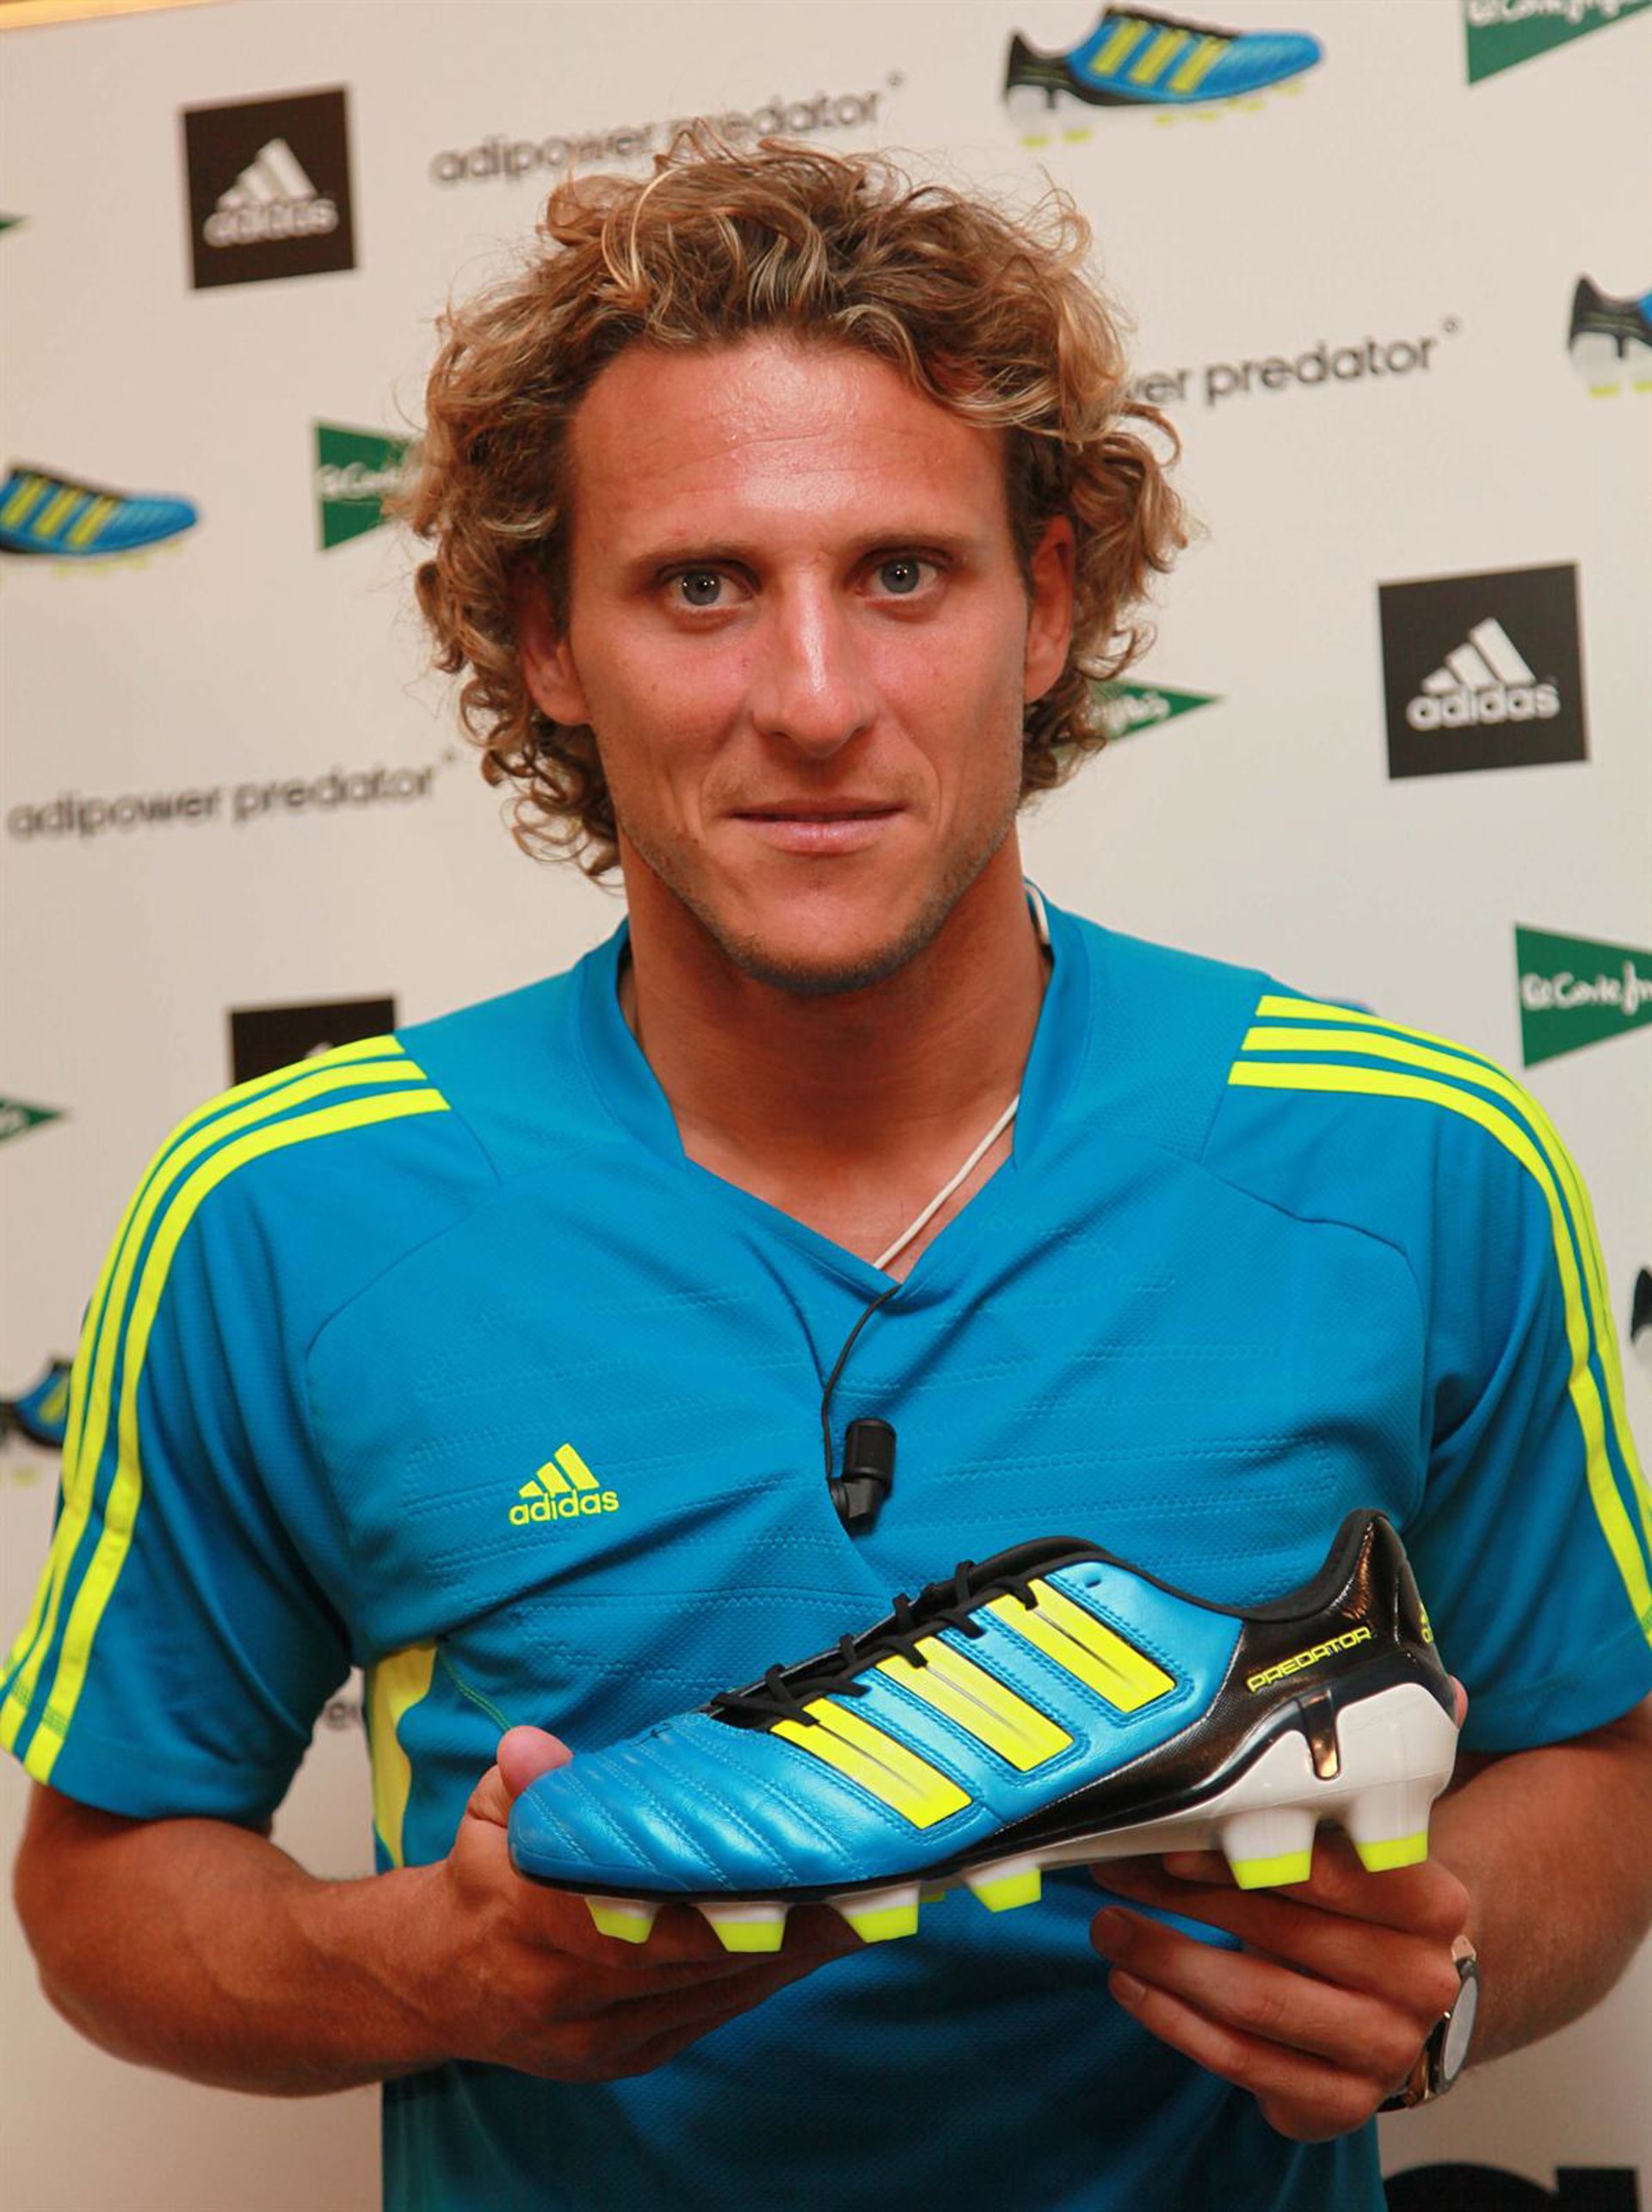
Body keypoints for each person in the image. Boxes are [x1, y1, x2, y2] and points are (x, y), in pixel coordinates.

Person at [7, 136, 1650, 2212]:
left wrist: (1444, 1970)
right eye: (701, 584)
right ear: (548, 639)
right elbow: (102, 1886)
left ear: (1048, 606)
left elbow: (1601, 1763)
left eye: (902, 574)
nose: (812, 698)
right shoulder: (283, 1213)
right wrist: (423, 1969)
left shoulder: (1412, 1161)